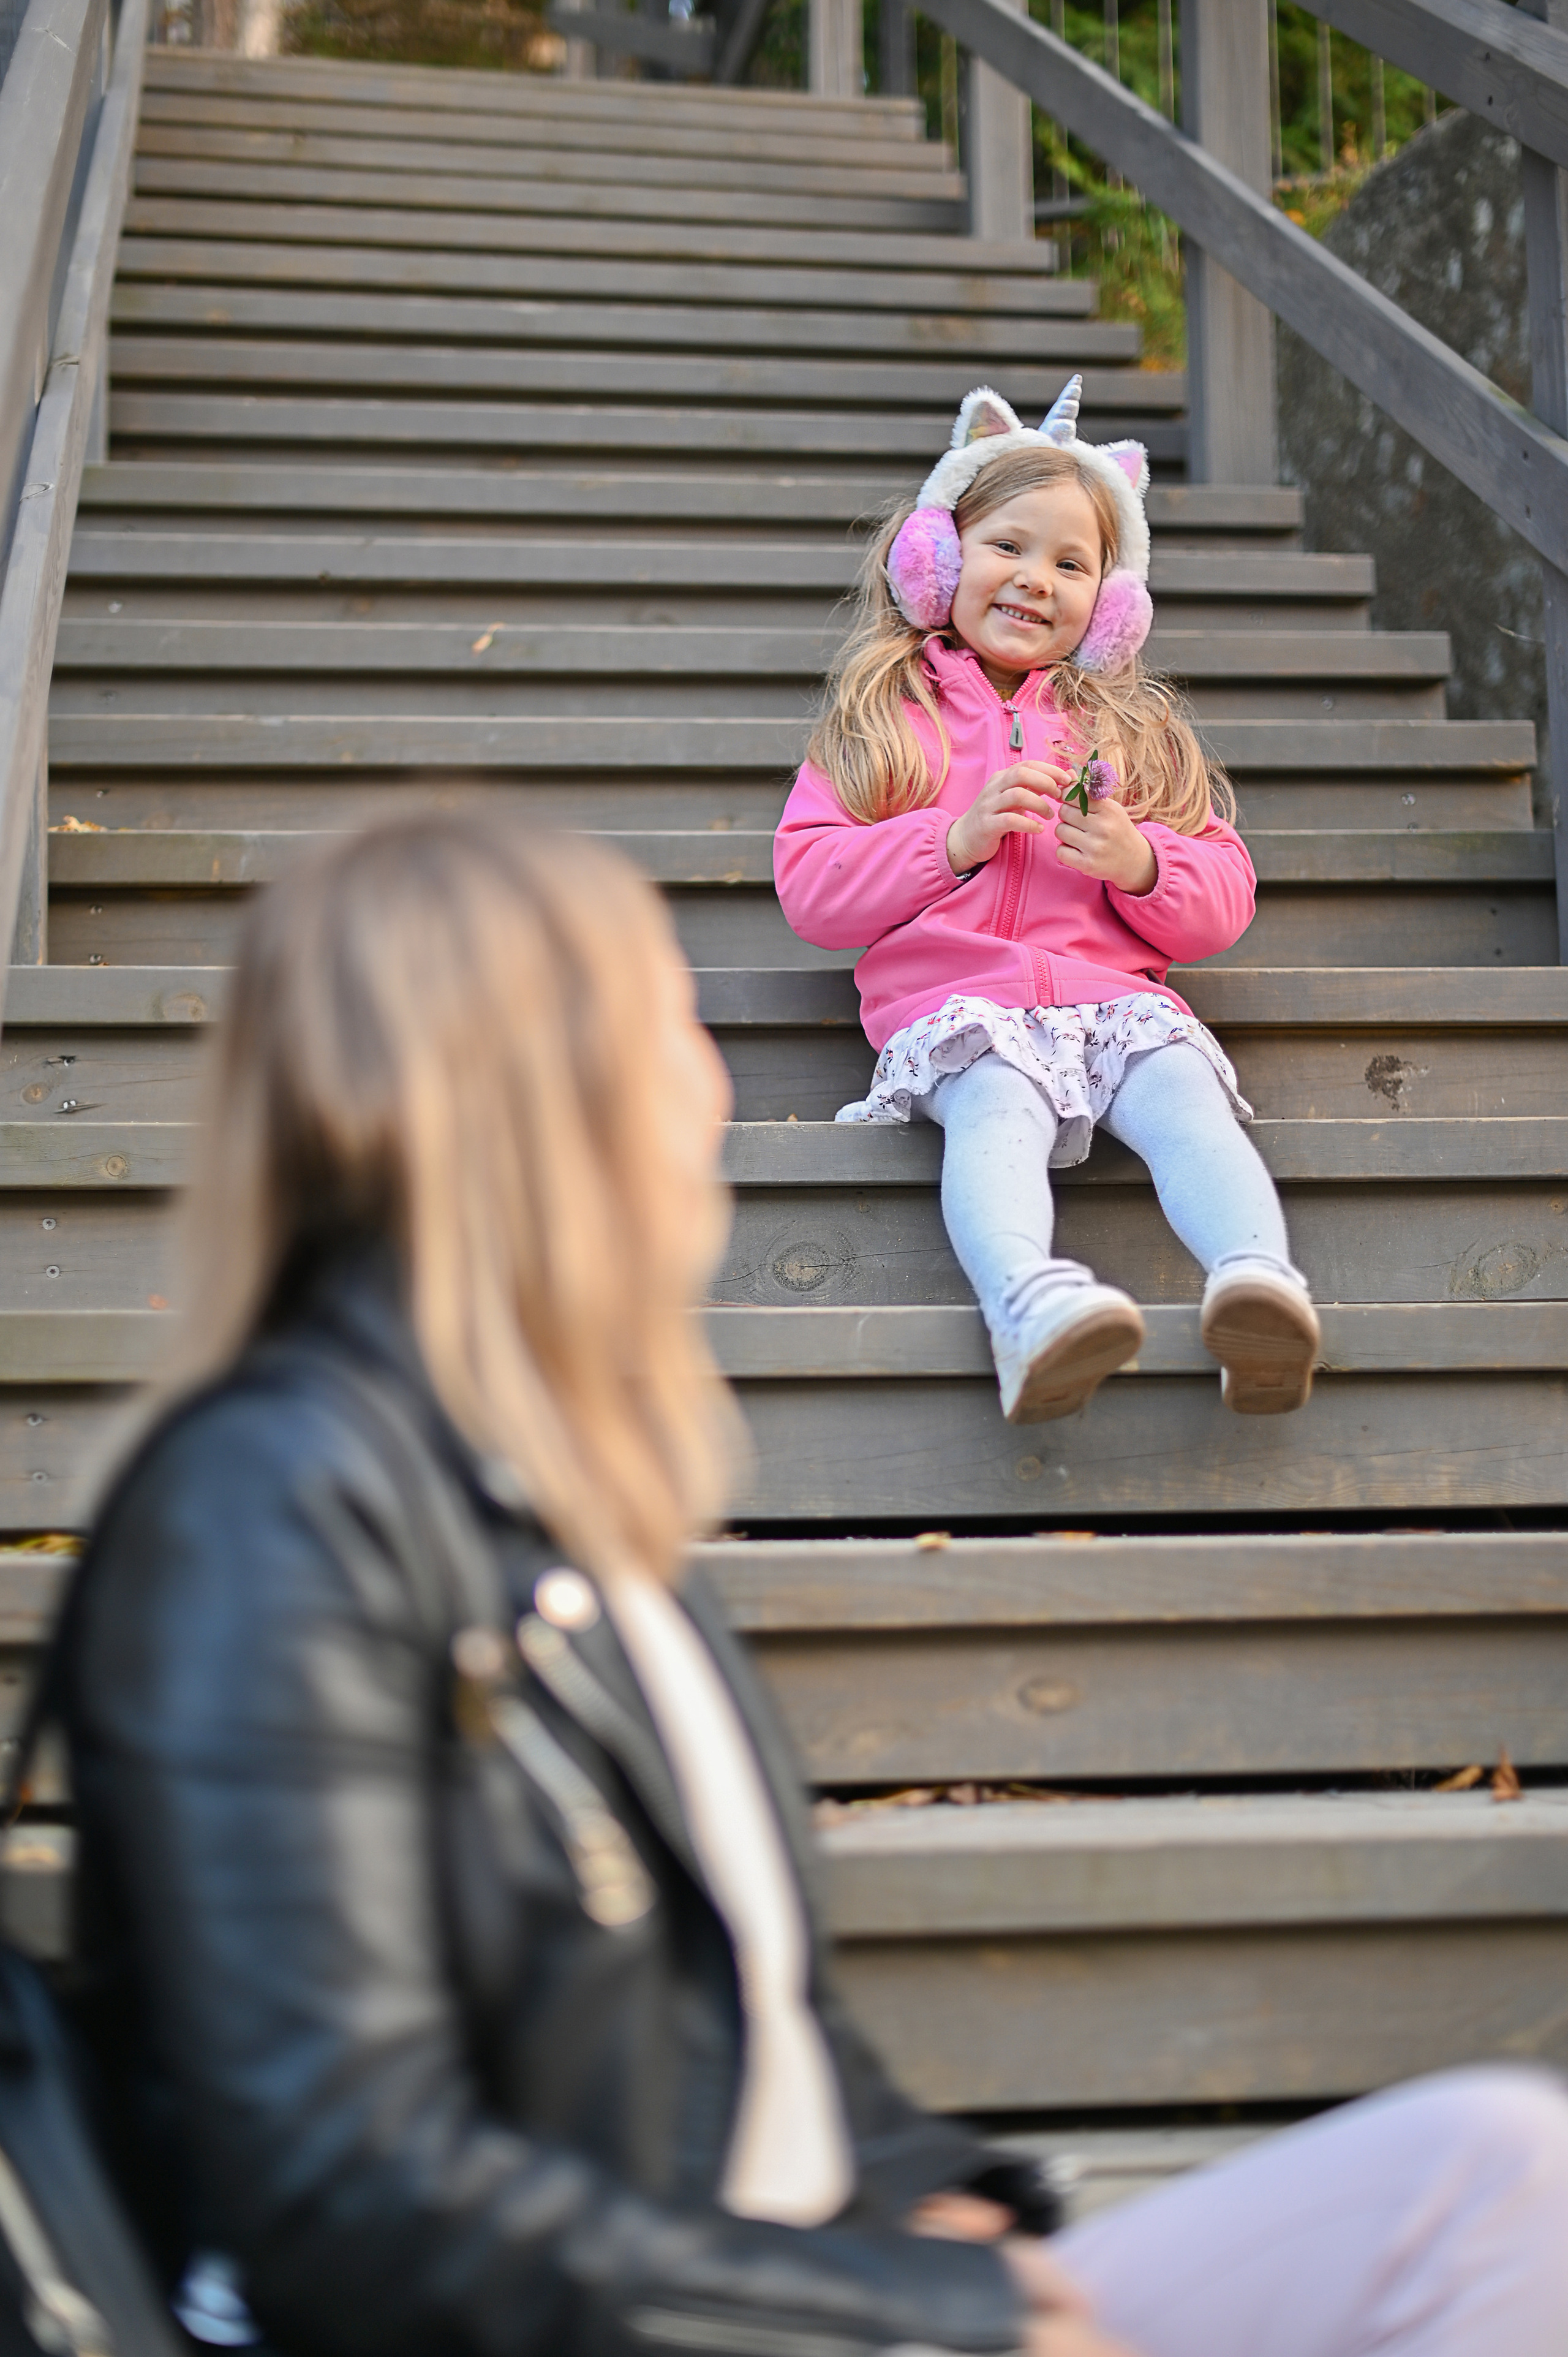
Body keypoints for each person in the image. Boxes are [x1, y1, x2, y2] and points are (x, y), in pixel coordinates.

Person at [57, 811, 1568, 2357]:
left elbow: (753, 2022)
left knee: (1495, 2181)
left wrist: (939, 2204)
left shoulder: (570, 1515)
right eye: (664, 1026)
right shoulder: (267, 1512)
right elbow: (348, 2198)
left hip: (802, 2287)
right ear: (524, 1092)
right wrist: (927, 2308)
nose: (709, 1079)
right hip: (659, 2322)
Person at [774, 377, 1321, 1424]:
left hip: (1111, 995)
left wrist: (1139, 863)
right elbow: (810, 885)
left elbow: (1224, 892)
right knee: (996, 1108)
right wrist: (952, 840)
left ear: (1113, 604)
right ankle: (1027, 1305)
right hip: (963, 1007)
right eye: (1009, 546)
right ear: (936, 560)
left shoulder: (1135, 732)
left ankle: (1258, 1284)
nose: (1037, 579)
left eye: (1074, 563)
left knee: (1182, 1092)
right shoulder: (883, 721)